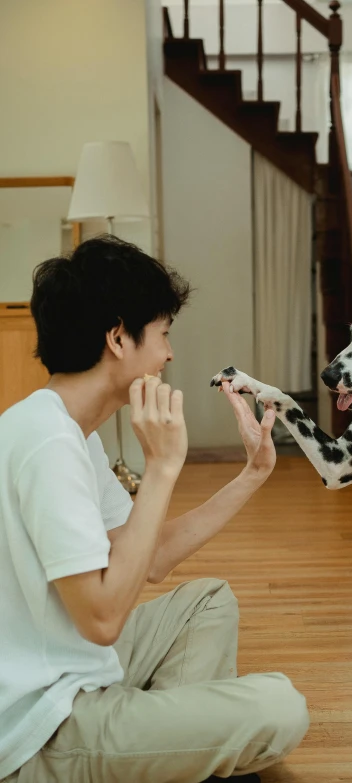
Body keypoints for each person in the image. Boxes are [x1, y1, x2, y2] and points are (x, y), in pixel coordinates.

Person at [0, 236, 310, 783]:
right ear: (119, 337)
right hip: (44, 726)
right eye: (163, 334)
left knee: (207, 601)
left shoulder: (72, 433)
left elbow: (152, 556)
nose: (169, 354)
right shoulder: (48, 444)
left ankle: (162, 756)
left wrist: (252, 475)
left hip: (78, 671)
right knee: (280, 708)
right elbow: (101, 619)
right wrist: (163, 467)